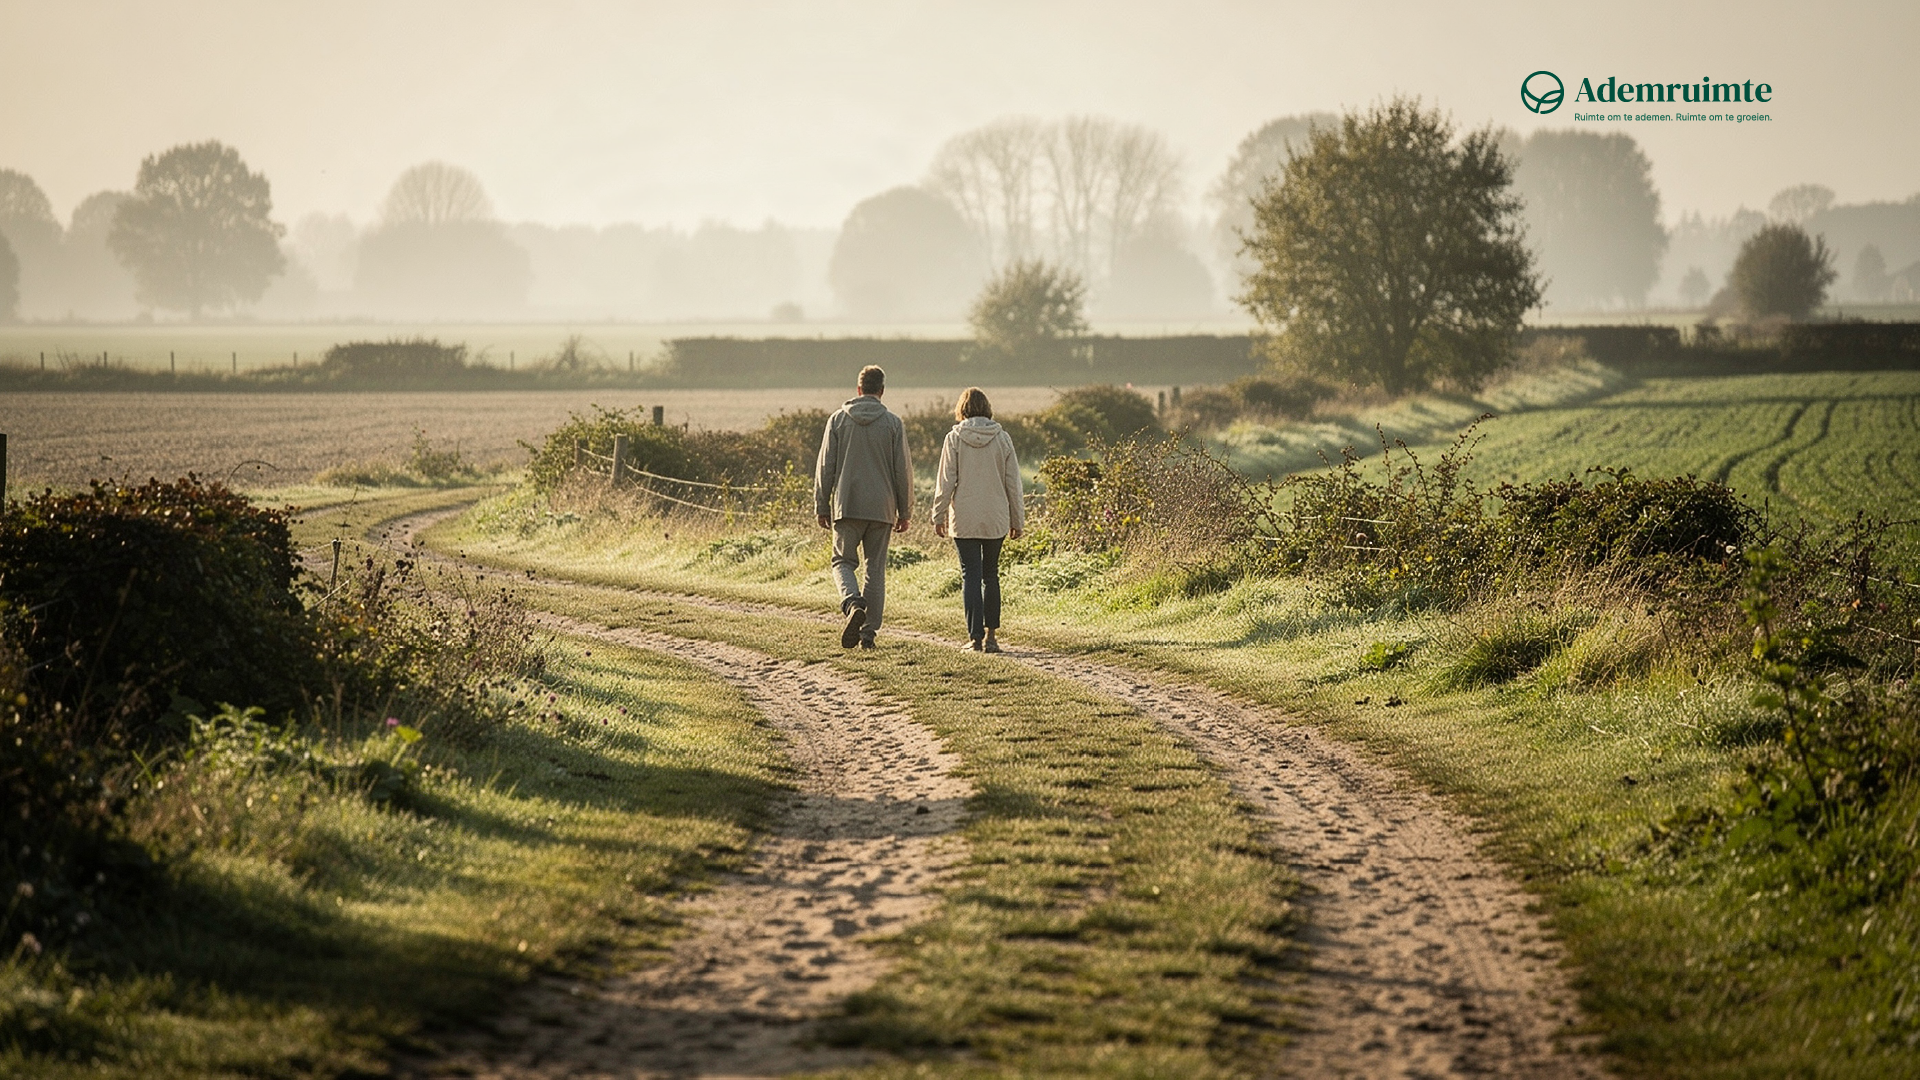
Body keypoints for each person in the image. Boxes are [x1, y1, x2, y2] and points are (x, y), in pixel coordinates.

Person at [815, 364, 913, 649]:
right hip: (882, 508)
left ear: (858, 389)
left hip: (847, 504)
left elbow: (826, 466)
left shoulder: (837, 420)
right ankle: (868, 634)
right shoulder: (893, 423)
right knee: (875, 569)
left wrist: (822, 504)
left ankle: (851, 602)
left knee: (842, 561)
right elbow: (902, 471)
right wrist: (905, 511)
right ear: (881, 391)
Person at [930, 387, 1023, 652]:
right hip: (996, 517)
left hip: (965, 517)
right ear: (987, 408)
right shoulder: (1002, 438)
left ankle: (975, 638)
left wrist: (938, 515)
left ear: (962, 409)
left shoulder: (954, 438)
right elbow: (1013, 484)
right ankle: (992, 637)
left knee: (970, 575)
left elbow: (946, 480)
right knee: (990, 575)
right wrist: (1018, 520)